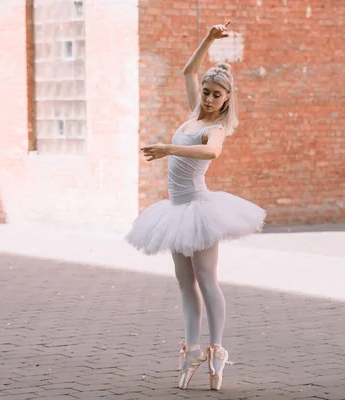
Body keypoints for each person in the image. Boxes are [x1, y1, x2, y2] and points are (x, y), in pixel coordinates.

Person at [125, 21, 267, 391]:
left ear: (226, 99)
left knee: (206, 280)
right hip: (175, 211)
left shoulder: (215, 128)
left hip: (200, 210)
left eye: (216, 94)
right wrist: (208, 39)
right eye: (206, 91)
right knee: (184, 284)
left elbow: (212, 152)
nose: (208, 98)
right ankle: (192, 348)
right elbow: (188, 70)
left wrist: (170, 148)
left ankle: (217, 347)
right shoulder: (193, 115)